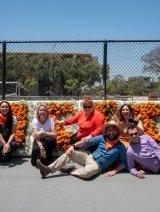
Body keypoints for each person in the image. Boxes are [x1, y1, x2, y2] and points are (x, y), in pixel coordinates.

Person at [36, 120, 127, 179]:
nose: (111, 132)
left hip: (97, 166)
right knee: (71, 152)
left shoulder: (120, 147)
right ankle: (48, 170)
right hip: (88, 157)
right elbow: (85, 142)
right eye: (109, 130)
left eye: (113, 130)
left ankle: (71, 170)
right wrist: (72, 146)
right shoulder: (101, 138)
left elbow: (123, 163)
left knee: (86, 174)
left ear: (117, 132)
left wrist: (114, 171)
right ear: (106, 131)